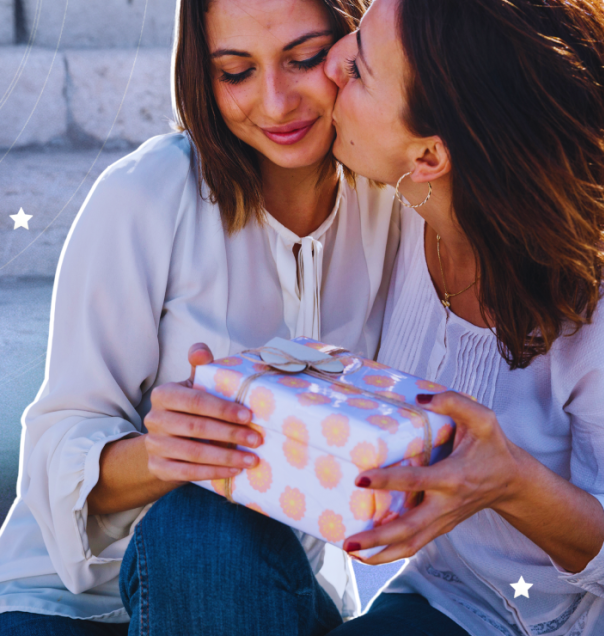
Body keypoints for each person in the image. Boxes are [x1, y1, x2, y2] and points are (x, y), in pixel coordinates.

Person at [0, 0, 402, 634]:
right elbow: (56, 446)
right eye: (236, 72)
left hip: (270, 588)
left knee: (220, 529)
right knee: (202, 517)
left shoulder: (395, 204)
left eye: (302, 60)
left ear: (356, 47)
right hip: (74, 603)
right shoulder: (145, 194)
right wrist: (165, 454)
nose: (275, 103)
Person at [320, 0, 604, 635]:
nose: (331, 61)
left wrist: (510, 481)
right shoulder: (394, 216)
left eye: (358, 69)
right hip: (447, 603)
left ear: (430, 155)